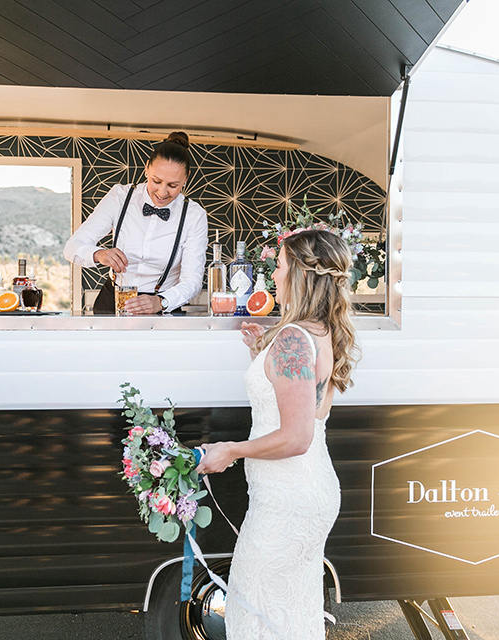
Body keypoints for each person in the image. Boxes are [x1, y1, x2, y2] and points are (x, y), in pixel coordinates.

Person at [195, 229, 360, 640]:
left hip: (287, 501)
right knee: (289, 614)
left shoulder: (291, 339)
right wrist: (260, 358)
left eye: (281, 266)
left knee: (254, 613)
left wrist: (230, 450)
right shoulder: (322, 331)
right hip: (310, 492)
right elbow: (316, 409)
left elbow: (297, 435)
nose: (275, 275)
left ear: (301, 275)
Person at [64, 131, 209, 314]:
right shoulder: (120, 196)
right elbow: (72, 247)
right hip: (113, 301)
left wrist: (161, 302)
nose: (163, 192)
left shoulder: (194, 216)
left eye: (173, 185)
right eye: (156, 181)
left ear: (186, 179)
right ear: (147, 168)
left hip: (163, 307)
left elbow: (192, 281)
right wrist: (99, 254)